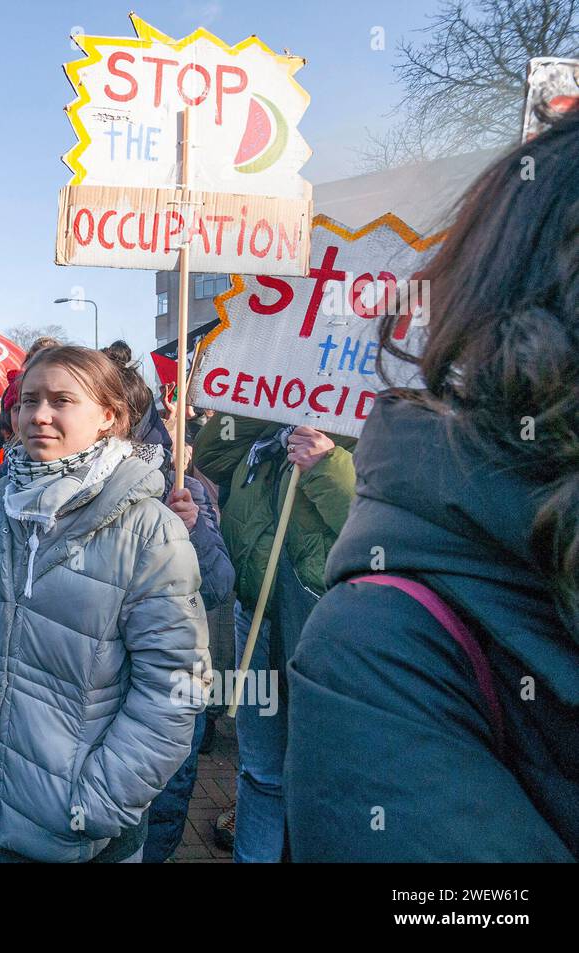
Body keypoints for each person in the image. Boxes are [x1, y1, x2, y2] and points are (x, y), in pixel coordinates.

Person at [285, 112, 579, 861]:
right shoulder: (381, 643)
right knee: (260, 764)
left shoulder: (350, 445)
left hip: (308, 591)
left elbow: (341, 508)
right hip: (286, 612)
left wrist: (326, 467)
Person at [0, 346, 210, 862]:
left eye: (62, 400)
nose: (38, 415)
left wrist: (100, 801)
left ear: (109, 416)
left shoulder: (150, 530)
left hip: (84, 829)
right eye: (28, 400)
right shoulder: (5, 507)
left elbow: (175, 688)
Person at [193, 411, 356, 862]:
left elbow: (369, 528)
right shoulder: (269, 428)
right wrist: (262, 399)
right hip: (257, 621)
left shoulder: (370, 424)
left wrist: (328, 465)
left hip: (327, 628)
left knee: (326, 778)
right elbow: (212, 453)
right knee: (261, 770)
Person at [93, 364, 234, 863]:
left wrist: (190, 530)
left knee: (163, 806)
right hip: (91, 697)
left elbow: (218, 587)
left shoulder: (180, 490)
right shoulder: (54, 494)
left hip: (167, 691)